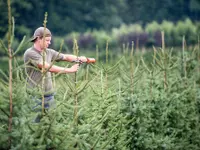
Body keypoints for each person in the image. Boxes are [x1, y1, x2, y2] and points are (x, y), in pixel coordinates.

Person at [24, 27, 87, 121]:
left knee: (52, 124)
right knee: (34, 125)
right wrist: (69, 70)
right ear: (38, 39)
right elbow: (48, 67)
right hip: (35, 96)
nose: (49, 43)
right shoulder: (30, 53)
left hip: (49, 95)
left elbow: (65, 57)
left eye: (50, 40)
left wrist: (78, 58)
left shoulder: (49, 52)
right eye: (47, 40)